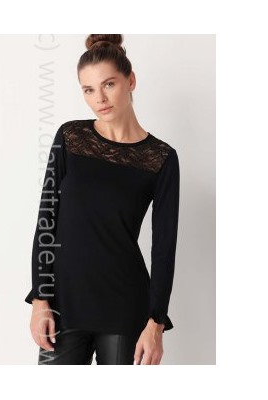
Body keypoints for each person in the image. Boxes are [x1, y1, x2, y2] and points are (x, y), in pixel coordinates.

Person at [24, 34, 180, 365]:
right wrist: (40, 299)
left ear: (130, 80)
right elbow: (46, 220)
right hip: (64, 302)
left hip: (124, 305)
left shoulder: (161, 158)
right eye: (89, 90)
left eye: (109, 84)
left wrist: (155, 323)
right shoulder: (70, 137)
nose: (100, 99)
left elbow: (164, 248)